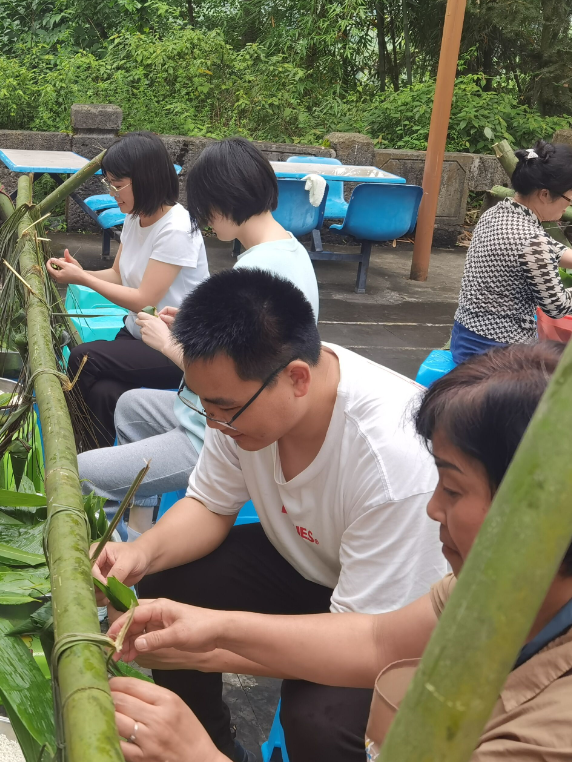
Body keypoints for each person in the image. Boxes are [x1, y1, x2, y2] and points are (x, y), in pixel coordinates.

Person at [108, 342, 572, 762]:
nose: (433, 508)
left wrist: (197, 754)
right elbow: (376, 639)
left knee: (318, 715)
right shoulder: (510, 583)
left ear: (546, 509)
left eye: (454, 490)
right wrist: (209, 629)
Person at [92, 267, 447, 762]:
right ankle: (212, 745)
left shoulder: (393, 462)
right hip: (305, 560)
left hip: (382, 613)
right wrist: (139, 552)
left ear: (297, 378)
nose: (214, 425)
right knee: (163, 590)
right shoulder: (239, 404)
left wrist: (206, 640)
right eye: (205, 408)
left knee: (318, 718)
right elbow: (209, 505)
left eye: (224, 410)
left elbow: (367, 640)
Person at [78, 137, 320, 533]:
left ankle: (116, 556)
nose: (203, 219)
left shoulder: (253, 276)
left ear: (224, 200)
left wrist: (165, 341)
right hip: (203, 409)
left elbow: (228, 378)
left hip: (220, 429)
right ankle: (139, 523)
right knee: (130, 405)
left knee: (80, 472)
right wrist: (187, 326)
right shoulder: (287, 252)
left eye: (205, 207)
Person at [47, 131, 210, 448]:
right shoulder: (136, 217)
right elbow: (119, 274)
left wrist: (82, 280)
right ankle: (95, 469)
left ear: (146, 180)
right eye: (109, 183)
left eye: (118, 185)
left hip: (174, 346)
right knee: (104, 391)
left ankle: (69, 451)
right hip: (140, 333)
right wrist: (82, 272)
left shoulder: (176, 228)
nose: (112, 193)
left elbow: (143, 300)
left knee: (83, 359)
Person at [451, 139, 572, 363]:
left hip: (465, 336)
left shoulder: (498, 213)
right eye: (571, 197)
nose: (569, 205)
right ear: (545, 194)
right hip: (499, 353)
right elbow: (559, 306)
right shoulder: (532, 240)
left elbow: (550, 248)